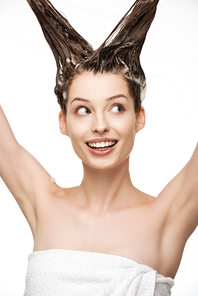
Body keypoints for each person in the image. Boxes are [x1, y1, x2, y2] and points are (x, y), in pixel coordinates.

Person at [0, 0, 197, 295]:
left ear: (138, 117)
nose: (100, 125)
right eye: (83, 110)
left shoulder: (168, 216)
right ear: (63, 122)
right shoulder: (43, 202)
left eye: (117, 107)